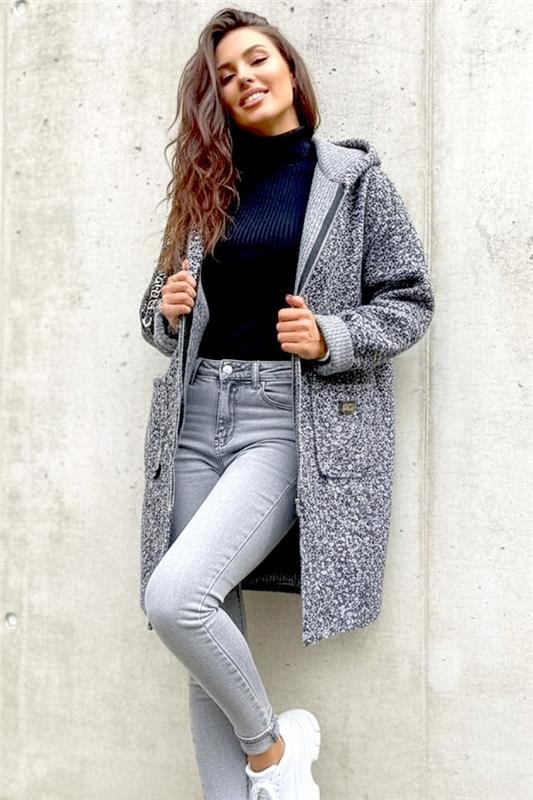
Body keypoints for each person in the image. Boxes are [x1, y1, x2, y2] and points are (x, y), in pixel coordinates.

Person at [138, 7, 435, 800]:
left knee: (175, 599)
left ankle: (273, 753)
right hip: (195, 416)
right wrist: (167, 311)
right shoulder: (205, 187)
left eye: (256, 60)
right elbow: (156, 316)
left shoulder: (354, 181)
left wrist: (330, 335)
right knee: (206, 623)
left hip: (284, 421)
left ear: (290, 69)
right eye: (226, 75)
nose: (244, 79)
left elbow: (409, 301)